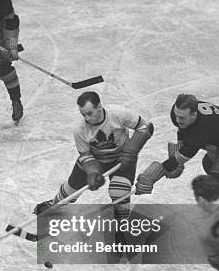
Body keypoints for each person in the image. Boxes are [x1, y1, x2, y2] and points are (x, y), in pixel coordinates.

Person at [34, 91, 153, 246]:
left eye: (90, 113)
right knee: (71, 191)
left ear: (99, 107)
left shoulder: (118, 114)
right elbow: (85, 155)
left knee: (119, 193)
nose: (87, 118)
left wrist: (131, 150)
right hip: (96, 159)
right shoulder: (79, 129)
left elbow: (145, 126)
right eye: (84, 115)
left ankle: (121, 228)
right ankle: (55, 203)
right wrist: (92, 172)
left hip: (122, 160)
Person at [136, 94, 219, 199]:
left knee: (215, 182)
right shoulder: (179, 114)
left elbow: (184, 154)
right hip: (218, 139)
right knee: (208, 165)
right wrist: (178, 148)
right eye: (176, 115)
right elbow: (183, 131)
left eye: (182, 118)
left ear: (194, 114)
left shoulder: (201, 131)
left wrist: (154, 175)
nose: (177, 120)